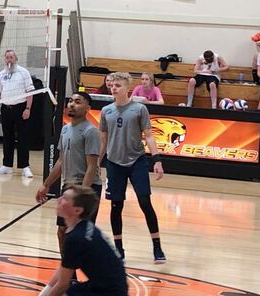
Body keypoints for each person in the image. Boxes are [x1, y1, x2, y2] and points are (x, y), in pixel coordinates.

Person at [99, 72, 166, 263]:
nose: (114, 88)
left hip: (137, 161)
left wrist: (157, 159)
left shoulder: (139, 109)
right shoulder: (106, 111)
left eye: (118, 85)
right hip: (114, 163)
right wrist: (96, 162)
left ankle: (157, 247)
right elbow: (103, 140)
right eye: (112, 85)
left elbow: (149, 135)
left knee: (145, 202)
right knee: (116, 206)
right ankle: (118, 249)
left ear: (127, 88)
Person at [36, 92, 102, 254]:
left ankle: (89, 266)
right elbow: (61, 161)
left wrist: (82, 194)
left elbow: (92, 166)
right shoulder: (65, 129)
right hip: (69, 186)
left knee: (82, 234)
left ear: (87, 108)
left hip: (87, 188)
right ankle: (68, 268)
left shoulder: (90, 132)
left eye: (78, 102)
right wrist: (46, 185)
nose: (72, 104)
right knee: (62, 231)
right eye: (70, 101)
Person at [39, 186, 128, 296]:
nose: (59, 199)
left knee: (62, 292)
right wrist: (45, 292)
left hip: (110, 292)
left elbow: (62, 284)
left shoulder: (76, 238)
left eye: (65, 198)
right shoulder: (82, 227)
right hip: (107, 286)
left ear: (77, 210)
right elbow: (64, 268)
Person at [0, 50, 35, 177]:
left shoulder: (23, 72)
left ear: (16, 58)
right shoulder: (1, 74)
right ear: (5, 60)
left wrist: (28, 108)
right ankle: (6, 165)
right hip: (6, 108)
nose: (9, 59)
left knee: (23, 137)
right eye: (7, 57)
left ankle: (25, 166)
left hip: (20, 108)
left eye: (11, 57)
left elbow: (30, 92)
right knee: (7, 137)